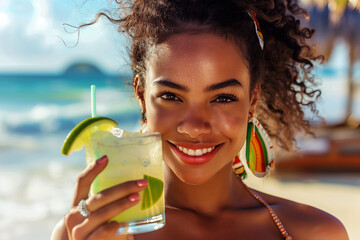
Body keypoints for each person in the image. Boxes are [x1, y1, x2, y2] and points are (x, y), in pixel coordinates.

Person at [51, 0, 349, 239]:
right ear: (141, 95)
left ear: (252, 99)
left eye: (222, 98)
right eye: (171, 96)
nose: (194, 126)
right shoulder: (81, 234)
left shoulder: (316, 233)